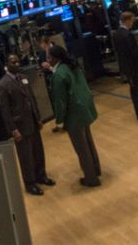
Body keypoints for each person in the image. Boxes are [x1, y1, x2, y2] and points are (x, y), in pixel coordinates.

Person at [0, 55, 55, 195]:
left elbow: (32, 98)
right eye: (13, 62)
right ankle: (30, 184)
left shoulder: (23, 77)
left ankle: (41, 175)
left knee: (38, 152)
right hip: (20, 126)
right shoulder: (2, 85)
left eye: (17, 61)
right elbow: (5, 111)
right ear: (7, 64)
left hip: (33, 121)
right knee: (25, 156)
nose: (16, 63)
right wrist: (13, 130)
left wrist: (38, 117)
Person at [47, 45, 101, 187]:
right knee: (89, 143)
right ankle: (96, 170)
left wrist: (59, 122)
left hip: (74, 115)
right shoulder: (72, 66)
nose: (47, 60)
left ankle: (91, 179)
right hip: (85, 108)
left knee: (81, 149)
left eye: (49, 57)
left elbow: (60, 102)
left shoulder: (58, 75)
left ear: (54, 58)